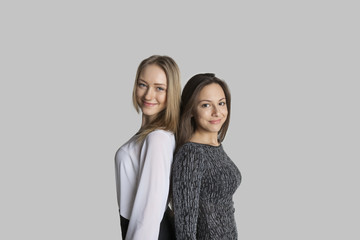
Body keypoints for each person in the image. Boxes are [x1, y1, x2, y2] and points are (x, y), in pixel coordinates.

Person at [115, 55, 181, 240]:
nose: (148, 95)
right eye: (143, 84)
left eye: (160, 88)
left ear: (172, 93)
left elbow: (149, 213)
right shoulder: (153, 135)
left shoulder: (157, 138)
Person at [172, 73, 242, 239]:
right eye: (206, 105)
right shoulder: (191, 154)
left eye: (221, 103)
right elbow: (185, 228)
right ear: (190, 111)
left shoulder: (215, 146)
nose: (217, 112)